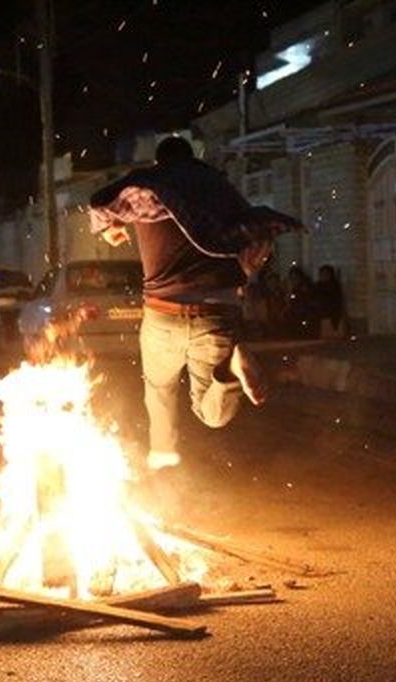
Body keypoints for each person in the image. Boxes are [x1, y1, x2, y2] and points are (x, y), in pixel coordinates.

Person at [89, 135, 301, 470]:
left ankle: (163, 450)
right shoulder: (219, 190)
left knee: (159, 390)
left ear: (161, 163)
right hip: (217, 317)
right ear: (193, 160)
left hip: (163, 312)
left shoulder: (149, 190)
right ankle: (228, 373)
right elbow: (247, 245)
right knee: (211, 415)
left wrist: (109, 228)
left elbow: (100, 202)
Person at [313, 264, 346, 338]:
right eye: (322, 274)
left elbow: (336, 301)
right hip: (319, 311)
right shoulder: (318, 285)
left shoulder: (334, 286)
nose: (324, 276)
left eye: (326, 274)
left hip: (330, 312)